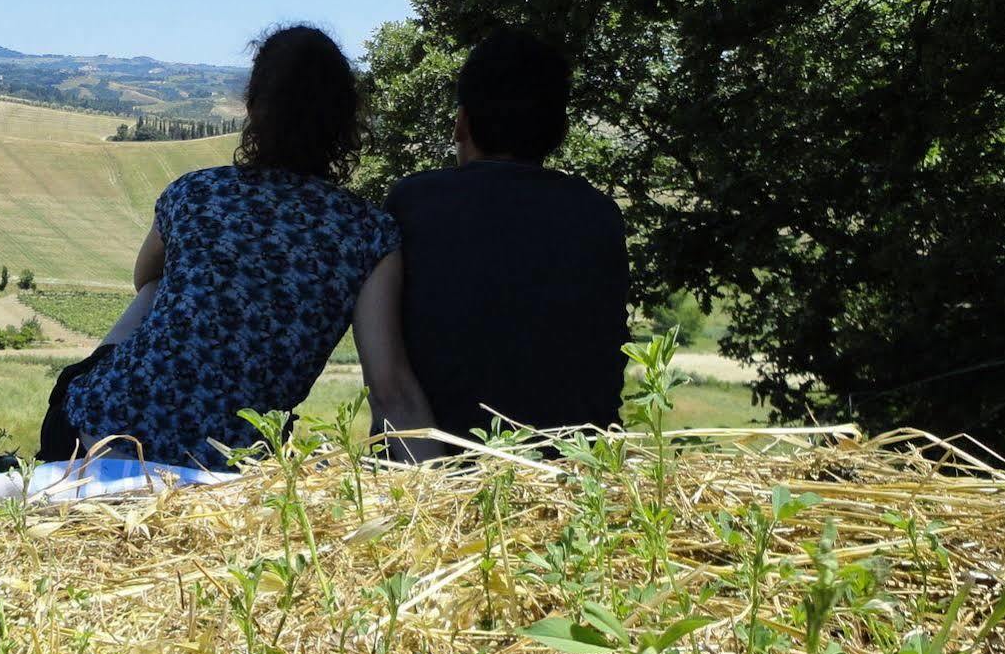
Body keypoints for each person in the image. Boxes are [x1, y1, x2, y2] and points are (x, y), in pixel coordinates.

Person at [39, 25, 437, 467]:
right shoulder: (367, 232)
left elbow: (143, 280)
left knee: (158, 285)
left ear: (252, 106)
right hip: (225, 466)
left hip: (90, 433)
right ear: (347, 120)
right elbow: (391, 393)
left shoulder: (194, 194)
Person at [380, 27, 628, 442]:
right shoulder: (599, 214)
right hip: (572, 472)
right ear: (557, 132)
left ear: (462, 123)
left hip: (434, 473)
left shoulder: (411, 204)